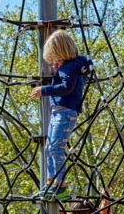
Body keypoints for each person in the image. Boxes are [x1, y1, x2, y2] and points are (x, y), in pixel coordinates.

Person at [30, 29, 90, 200]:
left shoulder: (69, 68)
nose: (54, 67)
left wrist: (44, 90)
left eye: (55, 61)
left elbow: (66, 87)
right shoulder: (74, 66)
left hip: (64, 113)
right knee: (50, 148)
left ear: (61, 54)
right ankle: (52, 183)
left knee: (56, 148)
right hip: (60, 112)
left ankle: (60, 186)